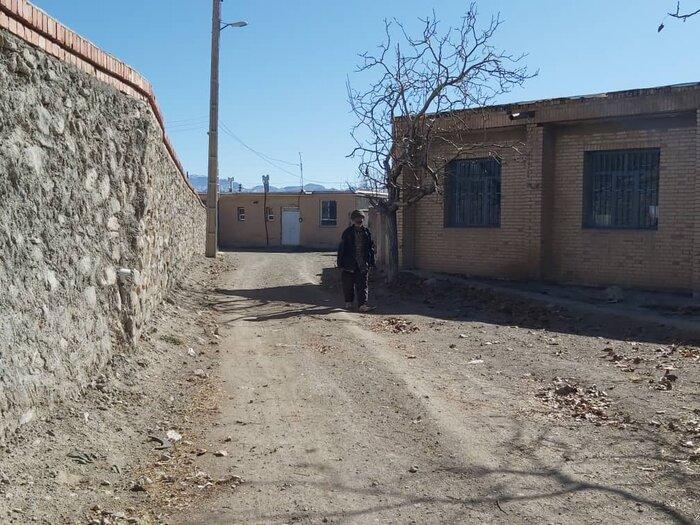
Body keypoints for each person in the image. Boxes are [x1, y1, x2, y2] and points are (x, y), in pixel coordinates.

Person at [337, 210, 376, 312]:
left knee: (362, 285)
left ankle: (362, 305)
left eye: (361, 218)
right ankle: (348, 302)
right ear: (353, 220)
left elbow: (370, 249)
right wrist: (340, 263)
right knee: (348, 285)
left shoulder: (367, 232)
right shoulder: (347, 233)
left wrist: (371, 263)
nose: (359, 220)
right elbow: (341, 249)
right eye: (357, 219)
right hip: (349, 263)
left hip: (362, 264)